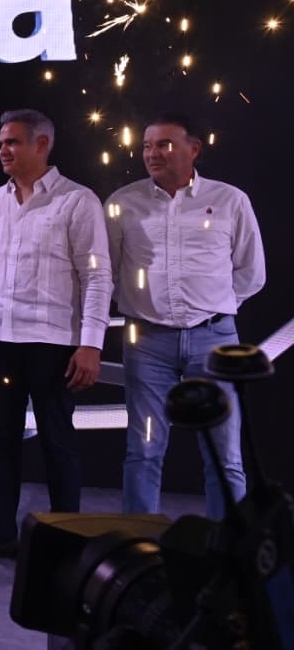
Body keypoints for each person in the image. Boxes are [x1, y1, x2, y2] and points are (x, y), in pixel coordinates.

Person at [0, 109, 113, 561]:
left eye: (13, 142)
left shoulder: (77, 200)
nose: (2, 150)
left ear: (41, 144)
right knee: (2, 440)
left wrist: (91, 343)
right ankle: (2, 534)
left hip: (53, 342)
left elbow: (97, 276)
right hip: (1, 339)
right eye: (1, 143)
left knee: (57, 442)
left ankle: (66, 545)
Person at [106, 115, 264, 520]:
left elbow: (251, 272)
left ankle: (229, 547)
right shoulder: (122, 202)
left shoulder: (230, 200)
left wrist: (213, 306)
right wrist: (143, 305)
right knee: (143, 450)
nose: (152, 154)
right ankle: (141, 544)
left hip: (215, 341)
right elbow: (106, 272)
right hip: (147, 343)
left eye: (164, 144)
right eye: (147, 146)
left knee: (225, 456)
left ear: (194, 149)